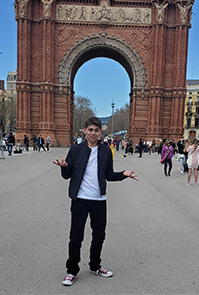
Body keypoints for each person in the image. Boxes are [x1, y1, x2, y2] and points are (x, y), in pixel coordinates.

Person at [53, 117, 139, 286]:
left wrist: (123, 174)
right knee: (76, 236)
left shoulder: (106, 151)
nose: (93, 133)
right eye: (90, 130)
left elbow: (108, 174)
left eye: (96, 130)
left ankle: (95, 266)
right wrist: (64, 167)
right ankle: (71, 271)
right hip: (80, 200)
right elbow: (67, 175)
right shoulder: (76, 150)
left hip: (99, 200)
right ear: (84, 130)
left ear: (100, 132)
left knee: (99, 235)